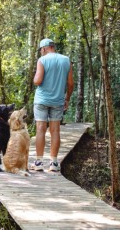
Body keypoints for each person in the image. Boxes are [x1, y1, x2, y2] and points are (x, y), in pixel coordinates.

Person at [32, 38, 74, 172]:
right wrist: (67, 98)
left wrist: (35, 78)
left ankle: (38, 163)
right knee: (55, 131)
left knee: (40, 130)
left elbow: (38, 80)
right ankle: (54, 163)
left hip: (42, 101)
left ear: (44, 48)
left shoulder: (42, 60)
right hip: (58, 101)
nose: (41, 52)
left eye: (40, 50)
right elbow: (71, 84)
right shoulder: (66, 60)